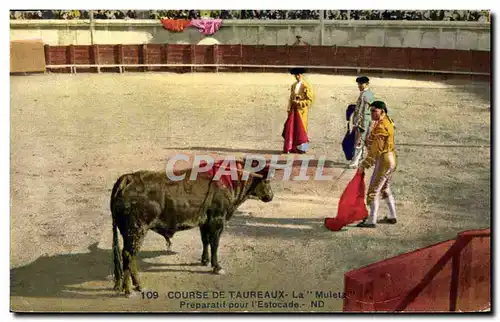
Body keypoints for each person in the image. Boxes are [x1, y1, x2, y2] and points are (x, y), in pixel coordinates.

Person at [357, 101, 397, 228]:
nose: (372, 113)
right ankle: (392, 216)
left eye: (375, 111)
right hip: (392, 158)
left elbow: (376, 150)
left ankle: (371, 220)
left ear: (382, 111)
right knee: (385, 188)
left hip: (384, 160)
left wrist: (365, 164)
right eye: (371, 111)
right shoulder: (387, 121)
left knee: (373, 191)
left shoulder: (381, 127)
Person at [282, 67, 314, 154]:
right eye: (295, 75)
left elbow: (310, 100)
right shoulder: (293, 86)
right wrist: (289, 109)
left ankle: (303, 149)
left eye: (298, 75)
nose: (297, 76)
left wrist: (300, 103)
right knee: (291, 128)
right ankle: (291, 147)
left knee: (302, 129)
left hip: (301, 111)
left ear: (301, 75)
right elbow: (290, 99)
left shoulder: (306, 86)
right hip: (293, 110)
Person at [349, 76, 375, 168]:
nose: (359, 86)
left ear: (367, 84)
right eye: (358, 84)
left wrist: (359, 123)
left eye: (361, 84)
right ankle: (361, 159)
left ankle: (355, 162)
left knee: (359, 142)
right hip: (365, 121)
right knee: (363, 141)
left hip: (363, 122)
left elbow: (363, 111)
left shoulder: (365, 95)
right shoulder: (367, 93)